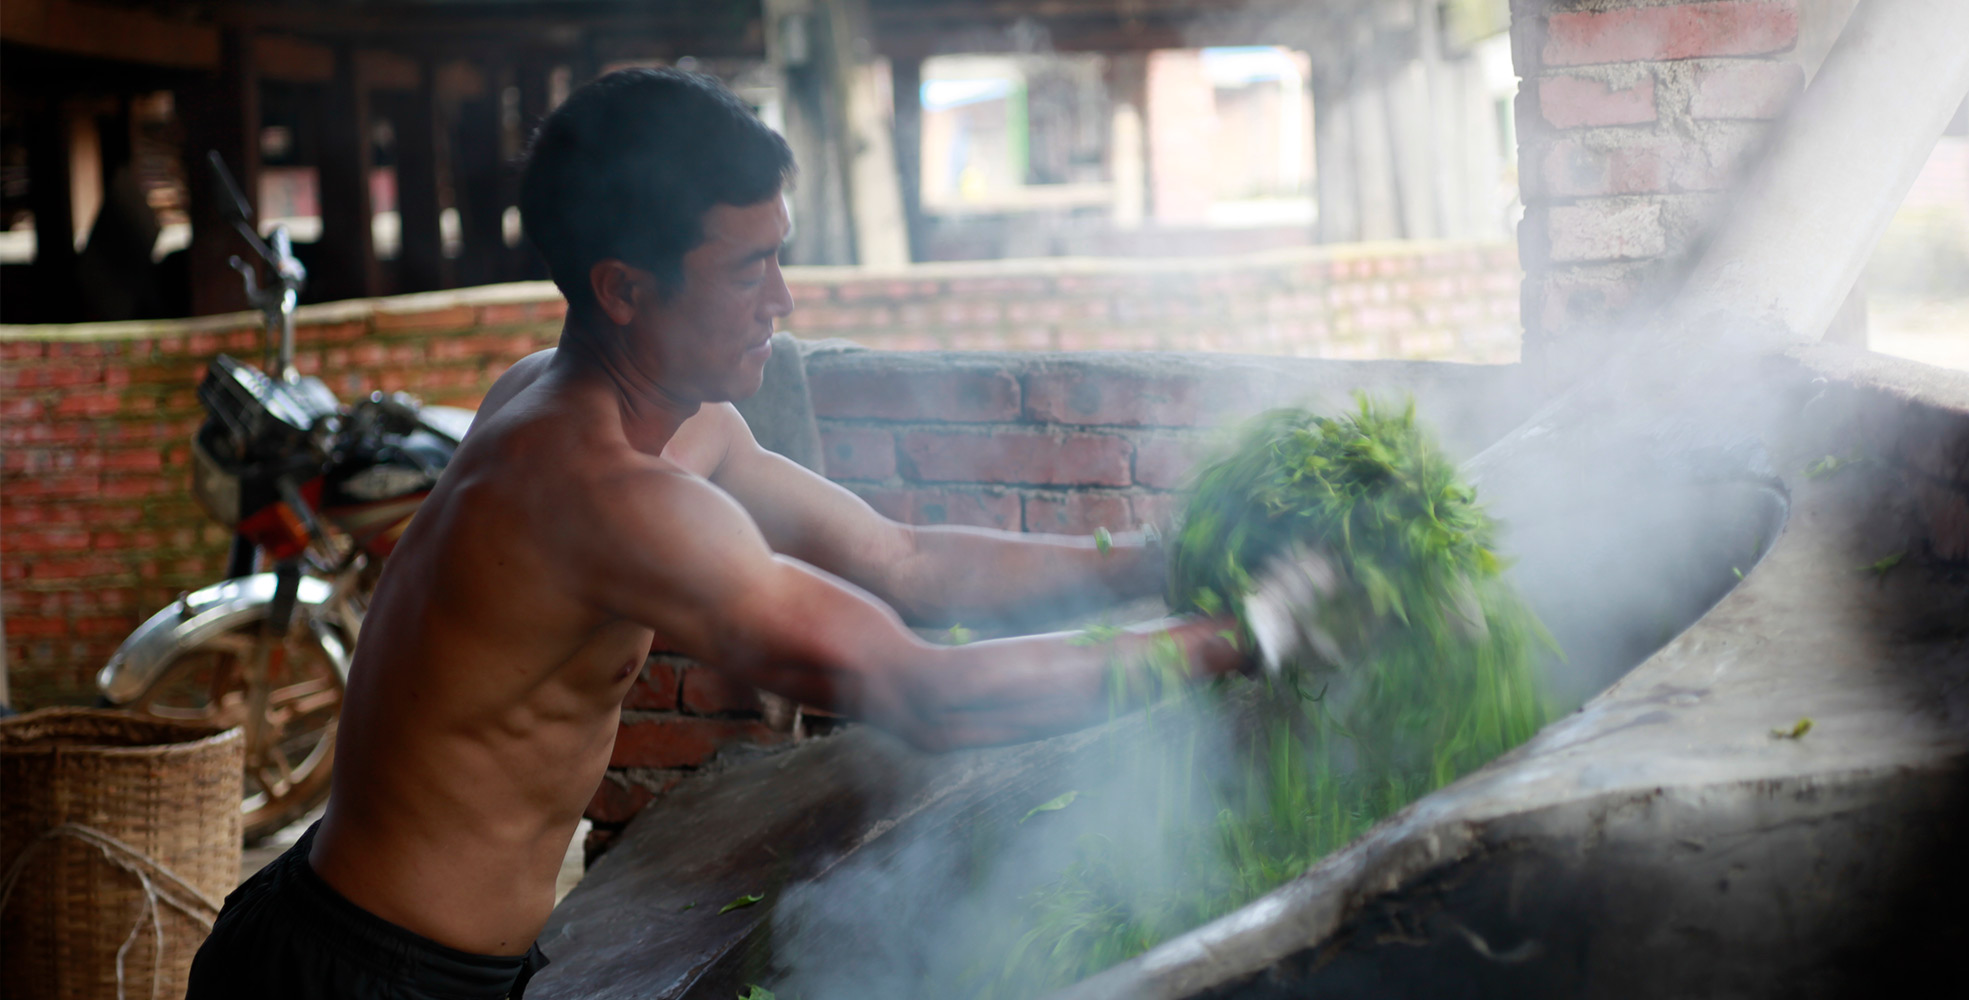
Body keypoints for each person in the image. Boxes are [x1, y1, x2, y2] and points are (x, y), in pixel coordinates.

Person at [185, 69, 1247, 1000]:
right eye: (747, 269)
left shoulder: (653, 421)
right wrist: (1229, 642)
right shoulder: (597, 494)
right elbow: (927, 690)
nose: (779, 300)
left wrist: (1164, 564)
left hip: (404, 954)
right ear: (623, 290)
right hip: (363, 973)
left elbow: (903, 560)